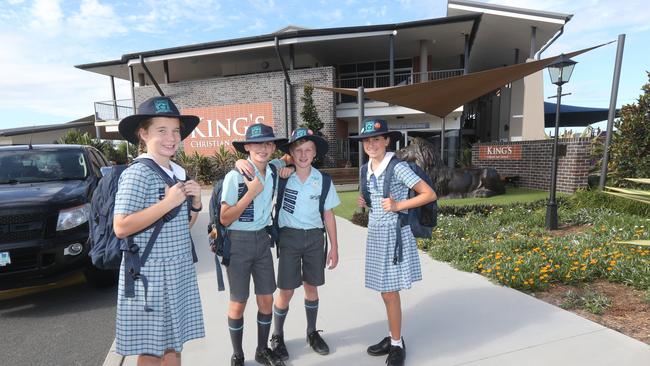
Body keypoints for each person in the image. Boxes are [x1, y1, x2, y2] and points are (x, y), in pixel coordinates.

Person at [113, 96, 205, 366]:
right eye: (161, 130)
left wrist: (196, 204)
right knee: (152, 350)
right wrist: (167, 203)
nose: (171, 137)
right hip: (151, 273)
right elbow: (121, 226)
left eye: (175, 130)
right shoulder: (137, 173)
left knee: (173, 347)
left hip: (176, 268)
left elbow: (179, 227)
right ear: (143, 133)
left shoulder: (176, 171)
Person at [239, 128, 340, 361]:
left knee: (311, 288)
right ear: (291, 153)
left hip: (315, 238)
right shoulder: (280, 173)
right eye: (298, 150)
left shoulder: (323, 180)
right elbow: (257, 163)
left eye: (308, 150)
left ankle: (312, 332)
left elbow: (328, 214)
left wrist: (334, 246)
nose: (303, 155)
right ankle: (278, 335)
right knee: (285, 290)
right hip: (289, 238)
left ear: (315, 153)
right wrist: (238, 161)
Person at [350, 119, 437, 366]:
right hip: (376, 234)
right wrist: (365, 202)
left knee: (389, 292)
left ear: (387, 140)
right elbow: (373, 197)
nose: (371, 144)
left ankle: (397, 344)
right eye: (367, 140)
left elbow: (429, 194)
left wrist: (399, 205)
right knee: (385, 291)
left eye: (376, 139)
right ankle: (393, 336)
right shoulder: (366, 168)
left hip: (394, 234)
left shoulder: (397, 167)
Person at [220, 123, 288, 366]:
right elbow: (224, 218)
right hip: (237, 243)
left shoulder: (273, 169)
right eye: (257, 143)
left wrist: (286, 166)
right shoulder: (234, 176)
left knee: (266, 299)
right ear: (247, 147)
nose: (264, 148)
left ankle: (261, 350)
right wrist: (251, 192)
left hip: (262, 240)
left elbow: (289, 158)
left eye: (269, 143)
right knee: (238, 302)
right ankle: (238, 354)